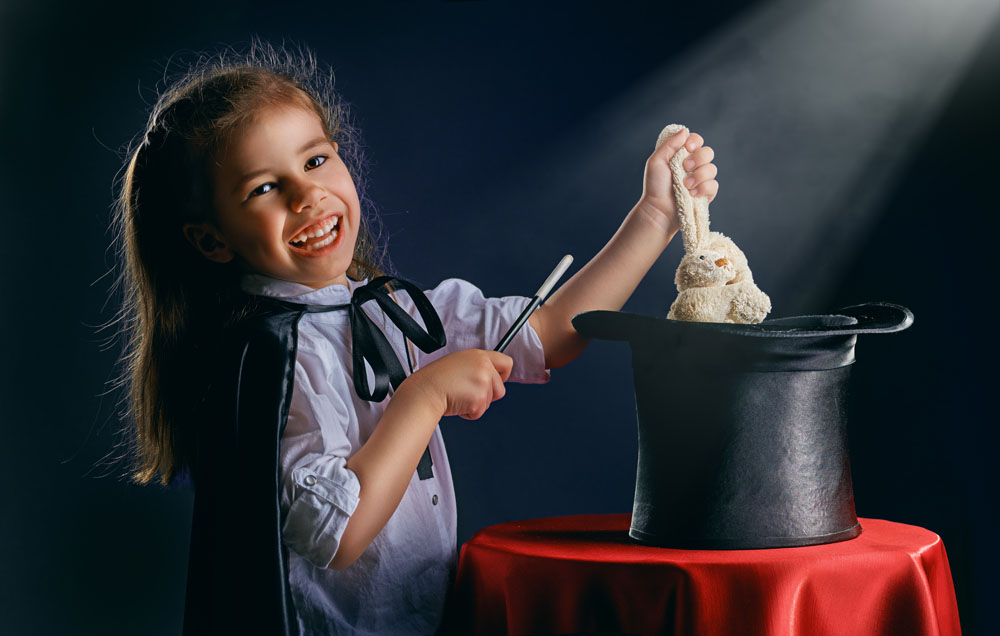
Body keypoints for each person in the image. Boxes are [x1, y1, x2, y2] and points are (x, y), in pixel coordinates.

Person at [111, 39, 718, 636]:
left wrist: (655, 217)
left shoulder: (386, 308)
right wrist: (424, 397)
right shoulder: (270, 357)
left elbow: (552, 332)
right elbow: (336, 535)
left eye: (315, 160)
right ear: (212, 240)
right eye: (263, 189)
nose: (307, 196)